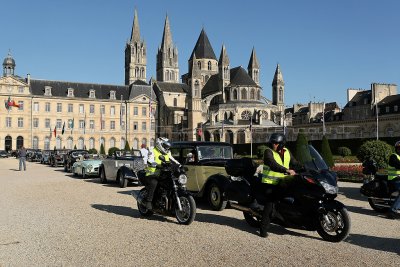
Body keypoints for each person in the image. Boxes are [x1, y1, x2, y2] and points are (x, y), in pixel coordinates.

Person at [258, 133, 299, 238]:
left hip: (283, 182)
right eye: (272, 143)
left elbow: (295, 163)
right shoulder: (268, 152)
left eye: (276, 143)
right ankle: (263, 229)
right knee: (270, 203)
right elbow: (272, 164)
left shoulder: (287, 152)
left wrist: (305, 169)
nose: (274, 145)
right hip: (269, 183)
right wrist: (286, 170)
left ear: (281, 144)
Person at [141, 137, 180, 210]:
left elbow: (173, 160)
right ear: (160, 144)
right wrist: (153, 164)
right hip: (152, 174)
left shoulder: (167, 152)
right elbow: (150, 159)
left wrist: (180, 165)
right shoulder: (152, 150)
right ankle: (148, 201)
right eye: (165, 146)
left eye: (168, 147)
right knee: (154, 183)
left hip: (163, 174)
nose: (167, 148)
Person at [387, 141, 400, 216]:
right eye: (399, 148)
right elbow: (397, 165)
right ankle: (392, 211)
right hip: (394, 179)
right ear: (396, 149)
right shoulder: (393, 156)